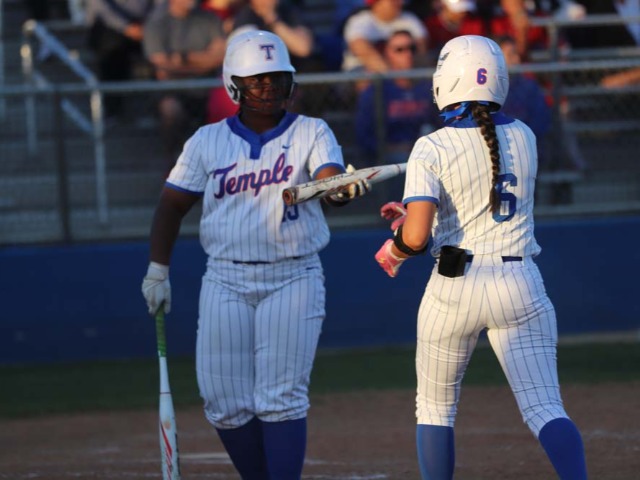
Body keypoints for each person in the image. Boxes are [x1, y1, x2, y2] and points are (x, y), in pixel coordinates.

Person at [141, 30, 371, 480]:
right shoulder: (207, 140)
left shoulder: (312, 130)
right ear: (234, 85)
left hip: (293, 276)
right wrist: (157, 270)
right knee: (223, 403)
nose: (268, 87)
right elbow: (171, 205)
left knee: (280, 399)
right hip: (225, 279)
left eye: (276, 78)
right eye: (257, 80)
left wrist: (341, 188)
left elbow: (328, 181)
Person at [374, 35, 588, 479]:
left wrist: (395, 248)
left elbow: (415, 239)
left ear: (446, 81)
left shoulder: (430, 146)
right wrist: (418, 219)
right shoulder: (525, 136)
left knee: (435, 409)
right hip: (519, 283)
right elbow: (482, 203)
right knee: (545, 408)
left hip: (455, 286)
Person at [142, 0, 226, 171]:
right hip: (174, 92)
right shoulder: (156, 23)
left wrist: (183, 58)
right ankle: (173, 162)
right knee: (170, 109)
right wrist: (203, 62)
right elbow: (161, 67)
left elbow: (219, 56)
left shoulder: (210, 19)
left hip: (208, 91)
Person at [354, 29, 440, 171]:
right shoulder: (377, 90)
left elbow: (441, 123)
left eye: (412, 48)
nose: (408, 54)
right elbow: (364, 134)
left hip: (426, 151)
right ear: (388, 54)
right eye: (399, 50)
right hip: (388, 159)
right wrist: (389, 148)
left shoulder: (429, 87)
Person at [85, 0, 159, 117]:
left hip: (146, 25)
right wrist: (126, 27)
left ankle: (162, 106)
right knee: (112, 52)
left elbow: (160, 5)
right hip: (109, 27)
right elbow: (100, 8)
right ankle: (113, 111)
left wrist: (150, 24)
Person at [341, 0, 428, 73]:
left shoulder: (409, 18)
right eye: (392, 1)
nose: (399, 2)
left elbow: (421, 50)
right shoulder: (360, 20)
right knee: (365, 75)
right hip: (361, 71)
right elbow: (362, 49)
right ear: (377, 3)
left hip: (403, 72)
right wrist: (390, 75)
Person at [230, 0, 315, 71]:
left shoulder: (287, 10)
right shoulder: (245, 18)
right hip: (260, 75)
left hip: (290, 73)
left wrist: (273, 20)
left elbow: (304, 49)